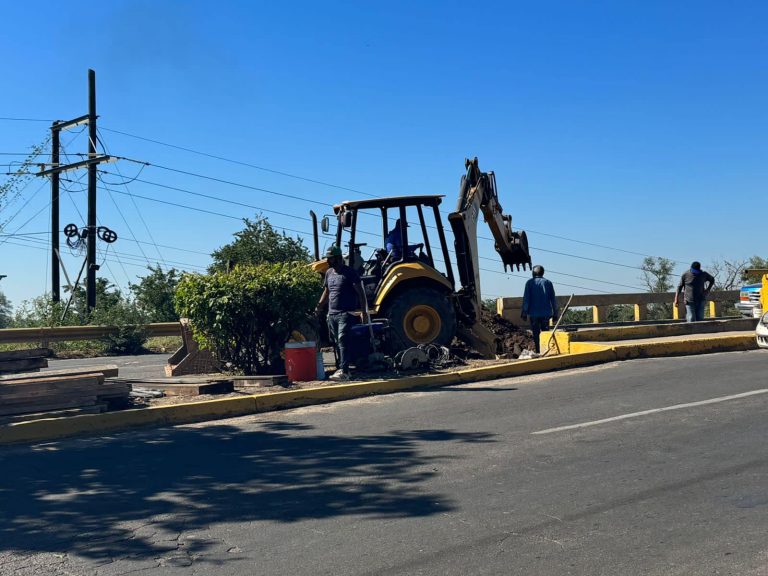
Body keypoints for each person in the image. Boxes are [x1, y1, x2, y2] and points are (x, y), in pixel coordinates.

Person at [315, 245, 369, 381]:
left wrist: (363, 312)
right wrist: (319, 307)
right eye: (328, 259)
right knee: (336, 342)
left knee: (342, 339)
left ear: (339, 259)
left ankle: (344, 371)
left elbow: (361, 293)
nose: (328, 262)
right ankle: (342, 368)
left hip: (346, 313)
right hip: (332, 314)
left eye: (331, 259)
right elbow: (327, 292)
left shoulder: (350, 273)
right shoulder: (328, 273)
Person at [521, 265, 558, 354]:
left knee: (536, 334)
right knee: (545, 333)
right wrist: (555, 313)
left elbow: (526, 299)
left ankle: (538, 351)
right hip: (546, 314)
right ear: (542, 273)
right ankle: (545, 350)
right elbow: (553, 299)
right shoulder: (548, 283)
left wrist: (524, 312)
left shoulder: (529, 283)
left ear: (533, 273)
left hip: (533, 314)